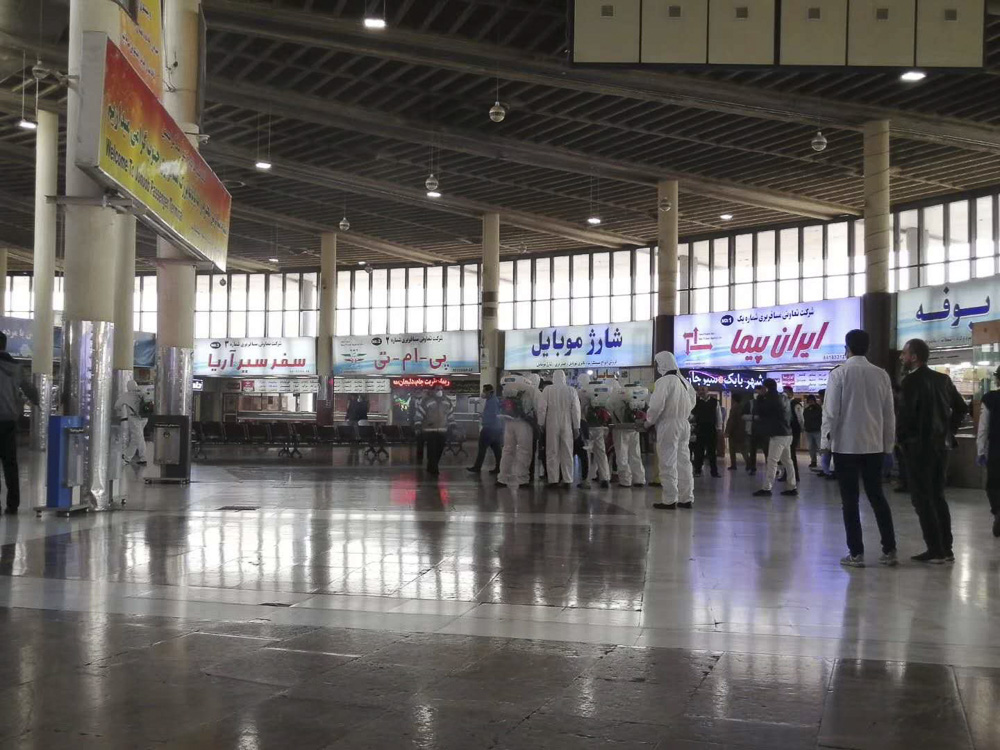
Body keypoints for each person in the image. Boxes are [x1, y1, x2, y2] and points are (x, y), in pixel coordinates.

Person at [820, 329, 898, 568]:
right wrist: (888, 446)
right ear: (868, 347)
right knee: (877, 497)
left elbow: (830, 413)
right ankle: (890, 550)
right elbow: (889, 415)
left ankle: (856, 553)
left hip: (846, 447)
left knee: (850, 501)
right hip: (874, 446)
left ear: (847, 348)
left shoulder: (839, 374)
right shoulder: (881, 375)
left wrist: (825, 446)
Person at [898, 338, 968, 564]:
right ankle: (946, 548)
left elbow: (906, 416)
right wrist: (949, 430)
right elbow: (961, 408)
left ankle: (935, 549)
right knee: (937, 495)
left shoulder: (910, 382)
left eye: (904, 353)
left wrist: (901, 439)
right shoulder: (943, 380)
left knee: (921, 497)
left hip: (918, 447)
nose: (901, 357)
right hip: (941, 446)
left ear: (914, 357)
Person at [645, 351, 696, 510]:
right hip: (684, 424)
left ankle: (669, 499)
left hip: (669, 424)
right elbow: (693, 402)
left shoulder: (664, 381)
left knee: (667, 461)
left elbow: (656, 406)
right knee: (684, 462)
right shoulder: (684, 382)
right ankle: (686, 498)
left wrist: (648, 422)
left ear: (663, 364)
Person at [0, 332, 38, 515]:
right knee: (10, 463)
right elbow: (30, 389)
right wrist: (36, 401)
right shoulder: (16, 367)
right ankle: (13, 504)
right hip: (9, 421)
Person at [752, 379, 798, 497]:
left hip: (778, 435)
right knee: (787, 461)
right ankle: (792, 486)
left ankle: (767, 488)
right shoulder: (784, 398)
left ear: (766, 388)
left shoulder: (770, 399)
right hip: (787, 433)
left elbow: (759, 412)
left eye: (762, 388)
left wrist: (759, 398)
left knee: (772, 461)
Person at [538, 370, 580, 488]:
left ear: (553, 378)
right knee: (567, 450)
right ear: (564, 378)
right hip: (567, 421)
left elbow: (542, 408)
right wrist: (576, 426)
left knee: (552, 451)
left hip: (551, 421)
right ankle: (567, 479)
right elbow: (576, 410)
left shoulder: (547, 390)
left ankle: (553, 480)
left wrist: (541, 423)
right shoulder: (571, 390)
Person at [497, 373, 539, 488]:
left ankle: (502, 478)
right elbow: (539, 407)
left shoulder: (506, 387)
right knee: (524, 451)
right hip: (524, 423)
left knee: (507, 450)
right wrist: (539, 423)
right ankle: (522, 479)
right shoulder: (531, 389)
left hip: (508, 421)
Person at [976, 367, 1000, 538]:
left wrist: (980, 451)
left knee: (993, 485)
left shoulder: (990, 399)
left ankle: (998, 510)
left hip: (996, 450)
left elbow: (983, 427)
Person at [610, 377, 646, 488]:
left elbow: (609, 409)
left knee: (622, 455)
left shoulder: (615, 396)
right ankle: (639, 479)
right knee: (635, 454)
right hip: (634, 429)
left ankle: (625, 481)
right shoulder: (636, 394)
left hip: (620, 430)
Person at [577, 373, 609, 488]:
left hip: (586, 426)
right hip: (599, 426)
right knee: (601, 453)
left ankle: (586, 481)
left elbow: (578, 409)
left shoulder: (581, 392)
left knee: (586, 454)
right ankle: (605, 478)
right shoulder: (603, 389)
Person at [416, 386, 453, 476]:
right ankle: (434, 469)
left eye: (441, 389)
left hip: (442, 430)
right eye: (437, 389)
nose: (439, 391)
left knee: (439, 450)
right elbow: (419, 414)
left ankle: (431, 466)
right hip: (429, 430)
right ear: (433, 391)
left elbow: (450, 415)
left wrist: (453, 425)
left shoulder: (447, 402)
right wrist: (417, 425)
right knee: (432, 450)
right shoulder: (426, 401)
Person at [468, 384, 502, 474]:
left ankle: (477, 467)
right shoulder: (492, 400)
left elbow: (493, 414)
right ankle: (499, 468)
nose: (483, 393)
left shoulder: (492, 401)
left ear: (489, 392)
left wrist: (483, 416)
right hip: (495, 428)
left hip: (489, 428)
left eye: (484, 391)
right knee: (497, 450)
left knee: (482, 448)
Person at [691, 387, 722, 478]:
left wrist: (719, 428)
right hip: (700, 429)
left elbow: (718, 415)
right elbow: (692, 415)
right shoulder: (695, 402)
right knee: (698, 451)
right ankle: (698, 470)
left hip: (711, 429)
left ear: (707, 391)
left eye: (703, 389)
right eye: (700, 390)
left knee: (712, 451)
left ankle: (714, 472)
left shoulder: (714, 402)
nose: (701, 391)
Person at [115, 379, 148, 464]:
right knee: (139, 437)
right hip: (144, 418)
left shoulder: (126, 395)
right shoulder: (142, 392)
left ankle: (127, 457)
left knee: (136, 438)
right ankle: (143, 457)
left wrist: (122, 410)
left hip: (134, 419)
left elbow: (117, 406)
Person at [780, 386, 802, 483]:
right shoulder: (785, 404)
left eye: (786, 392)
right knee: (786, 454)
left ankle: (794, 475)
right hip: (786, 431)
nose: (784, 394)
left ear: (790, 393)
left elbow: (800, 418)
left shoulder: (795, 404)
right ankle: (788, 474)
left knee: (791, 454)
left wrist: (801, 428)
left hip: (794, 431)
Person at [725, 391, 749, 471]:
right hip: (742, 431)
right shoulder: (742, 407)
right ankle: (749, 464)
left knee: (733, 449)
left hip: (734, 432)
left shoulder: (734, 407)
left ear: (733, 399)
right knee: (743, 449)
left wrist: (727, 431)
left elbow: (731, 420)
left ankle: (734, 465)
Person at [802, 394, 823, 468]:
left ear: (814, 401)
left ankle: (823, 463)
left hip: (817, 431)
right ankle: (813, 461)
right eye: (809, 401)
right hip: (809, 431)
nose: (810, 402)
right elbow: (805, 419)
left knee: (820, 447)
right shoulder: (806, 410)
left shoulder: (819, 409)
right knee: (811, 448)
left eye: (812, 400)